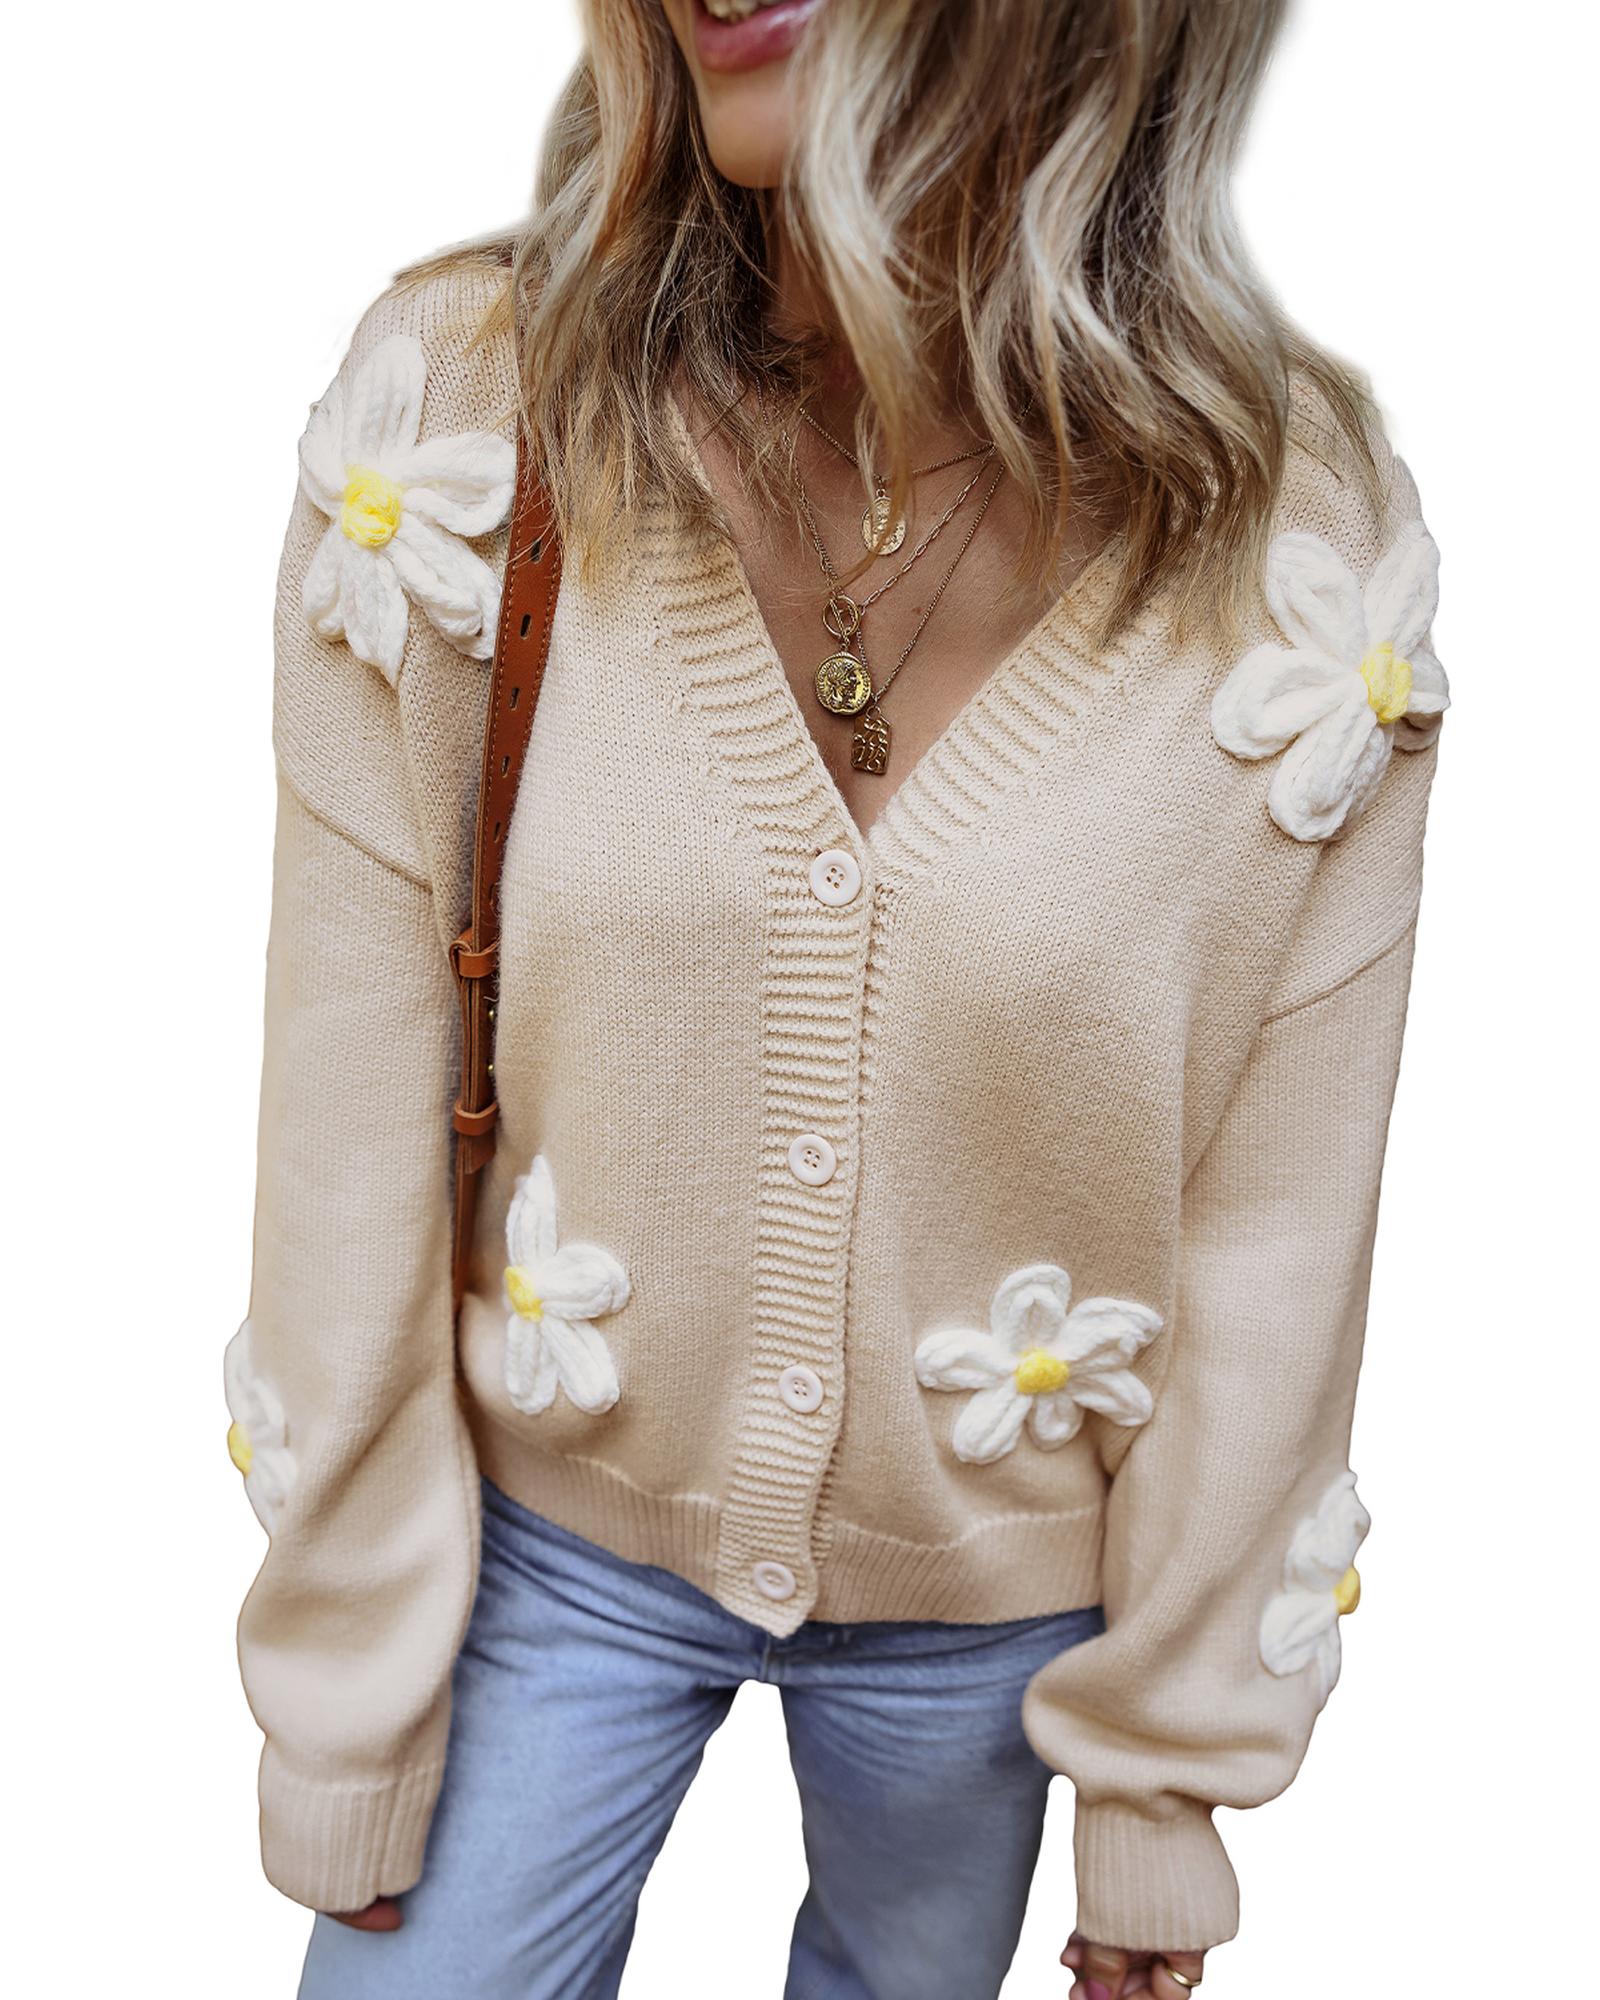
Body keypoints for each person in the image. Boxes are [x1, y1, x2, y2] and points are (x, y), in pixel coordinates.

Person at [227, 1, 1449, 1994]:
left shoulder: (1299, 550)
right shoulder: (465, 419)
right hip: (541, 1551)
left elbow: (1274, 1228)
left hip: (998, 1615)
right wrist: (345, 1704)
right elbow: (343, 1113)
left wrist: (1157, 1787)